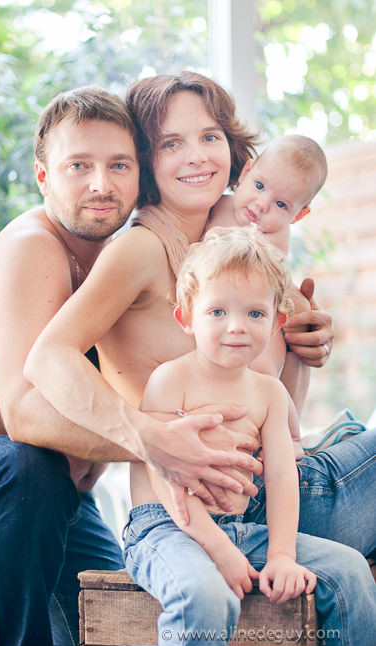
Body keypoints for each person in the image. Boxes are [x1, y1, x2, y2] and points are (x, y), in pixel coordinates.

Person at [0, 86, 258, 646]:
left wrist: (296, 334)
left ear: (141, 177)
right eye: (79, 166)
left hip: (63, 506)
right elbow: (26, 415)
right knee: (27, 466)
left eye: (119, 166)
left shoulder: (128, 258)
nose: (101, 184)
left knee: (110, 633)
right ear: (43, 178)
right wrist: (156, 440)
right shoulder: (31, 250)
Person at [26, 72, 375, 559]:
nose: (197, 155)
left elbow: (273, 405)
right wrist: (147, 437)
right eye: (172, 143)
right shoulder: (141, 248)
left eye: (210, 136)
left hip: (273, 494)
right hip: (212, 507)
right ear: (145, 162)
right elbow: (47, 357)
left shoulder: (232, 253)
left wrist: (301, 344)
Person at [124, 226, 376, 646]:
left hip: (243, 526)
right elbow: (166, 480)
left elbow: (280, 479)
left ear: (276, 322)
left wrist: (280, 553)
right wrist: (217, 547)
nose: (237, 325)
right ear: (186, 318)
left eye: (255, 312)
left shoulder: (269, 394)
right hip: (168, 528)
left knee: (349, 569)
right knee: (205, 594)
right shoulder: (169, 380)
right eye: (217, 310)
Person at [210, 134, 329, 458]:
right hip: (224, 319)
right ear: (246, 172)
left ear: (298, 215)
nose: (262, 205)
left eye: (280, 205)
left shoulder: (273, 236)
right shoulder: (216, 205)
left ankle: (290, 437)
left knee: (268, 373)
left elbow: (267, 281)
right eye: (260, 186)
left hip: (260, 323)